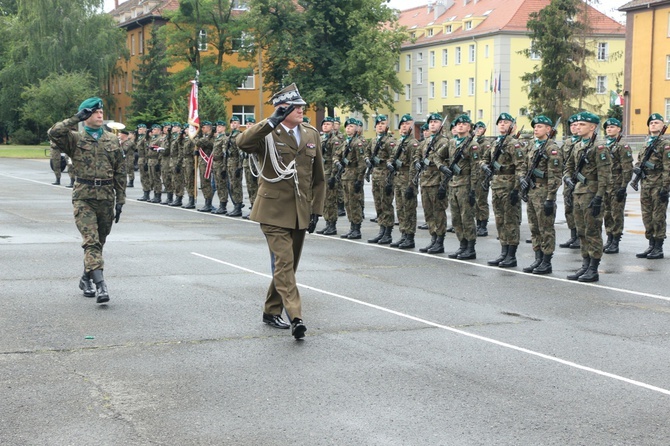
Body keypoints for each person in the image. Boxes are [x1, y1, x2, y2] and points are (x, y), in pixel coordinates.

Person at [236, 83, 325, 340]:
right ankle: (295, 316)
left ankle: (270, 310)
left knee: (288, 267)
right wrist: (270, 121)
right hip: (272, 211)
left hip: (299, 210)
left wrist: (316, 210)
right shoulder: (267, 133)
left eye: (301, 106)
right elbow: (241, 142)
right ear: (282, 108)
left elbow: (319, 177)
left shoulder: (310, 134)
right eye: (296, 106)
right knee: (284, 264)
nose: (301, 110)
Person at [47, 97, 126, 303]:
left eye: (101, 112)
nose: (100, 115)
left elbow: (120, 171)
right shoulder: (74, 139)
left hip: (107, 197)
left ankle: (86, 278)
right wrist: (75, 118)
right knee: (91, 242)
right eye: (95, 112)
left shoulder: (111, 139)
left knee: (99, 242)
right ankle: (101, 285)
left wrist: (121, 199)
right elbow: (53, 133)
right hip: (84, 197)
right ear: (85, 115)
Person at [563, 112, 611, 282]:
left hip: (591, 193)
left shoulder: (599, 147)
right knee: (581, 231)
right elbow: (568, 166)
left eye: (583, 124)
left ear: (593, 127)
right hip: (578, 192)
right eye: (578, 124)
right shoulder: (578, 145)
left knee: (592, 231)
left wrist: (599, 198)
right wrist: (568, 178)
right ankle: (585, 265)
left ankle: (593, 268)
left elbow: (605, 176)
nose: (578, 127)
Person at [481, 113, 525, 268]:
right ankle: (503, 251)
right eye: (500, 122)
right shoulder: (495, 143)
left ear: (512, 126)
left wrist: (516, 189)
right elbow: (484, 159)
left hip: (509, 186)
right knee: (500, 220)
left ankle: (511, 255)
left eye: (506, 122)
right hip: (497, 185)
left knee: (511, 221)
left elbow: (521, 167)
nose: (502, 125)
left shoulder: (514, 144)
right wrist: (485, 166)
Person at [520, 116, 562, 274]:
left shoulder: (552, 148)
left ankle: (546, 261)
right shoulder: (531, 145)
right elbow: (524, 164)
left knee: (546, 228)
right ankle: (537, 258)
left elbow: (555, 176)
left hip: (544, 192)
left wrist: (550, 198)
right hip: (532, 191)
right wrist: (523, 180)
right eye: (535, 126)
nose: (536, 129)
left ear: (548, 129)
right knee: (534, 228)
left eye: (539, 126)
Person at [437, 115, 480, 260]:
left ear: (469, 127)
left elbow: (475, 169)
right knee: (456, 218)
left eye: (464, 124)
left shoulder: (472, 145)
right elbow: (436, 156)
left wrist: (473, 190)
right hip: (453, 184)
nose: (460, 126)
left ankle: (470, 247)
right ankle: (462, 245)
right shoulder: (451, 142)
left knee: (467, 217)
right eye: (458, 124)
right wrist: (442, 167)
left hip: (465, 184)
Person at [634, 113, 669, 259]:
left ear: (662, 126)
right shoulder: (647, 143)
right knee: (647, 216)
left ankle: (658, 247)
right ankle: (651, 244)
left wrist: (665, 188)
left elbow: (668, 168)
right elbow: (640, 160)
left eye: (656, 122)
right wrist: (637, 167)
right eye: (651, 123)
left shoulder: (665, 145)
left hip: (658, 185)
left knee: (658, 216)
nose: (653, 125)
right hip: (646, 184)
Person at [415, 113, 450, 254]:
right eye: (431, 122)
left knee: (438, 213)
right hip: (425, 181)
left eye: (436, 122)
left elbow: (446, 163)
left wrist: (443, 185)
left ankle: (440, 241)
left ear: (440, 125)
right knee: (428, 213)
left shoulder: (444, 142)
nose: (432, 124)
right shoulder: (425, 142)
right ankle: (433, 238)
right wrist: (417, 162)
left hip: (437, 181)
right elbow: (417, 154)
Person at [388, 114, 420, 249]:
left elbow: (414, 165)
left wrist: (412, 185)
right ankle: (403, 234)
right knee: (400, 209)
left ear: (412, 127)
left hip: (407, 179)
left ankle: (410, 237)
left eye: (407, 125)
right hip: (398, 179)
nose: (404, 127)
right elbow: (391, 157)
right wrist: (390, 163)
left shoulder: (413, 143)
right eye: (402, 125)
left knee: (409, 210)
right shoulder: (399, 142)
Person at [602, 118, 633, 254]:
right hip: (605, 185)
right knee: (607, 213)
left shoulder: (622, 145)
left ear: (619, 129)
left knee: (616, 214)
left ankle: (615, 240)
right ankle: (609, 238)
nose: (609, 129)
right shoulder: (603, 145)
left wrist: (623, 186)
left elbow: (627, 168)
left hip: (617, 184)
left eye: (613, 127)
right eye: (608, 127)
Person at [365, 115, 396, 244]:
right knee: (378, 204)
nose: (380, 126)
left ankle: (388, 232)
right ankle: (381, 230)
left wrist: (385, 162)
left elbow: (393, 156)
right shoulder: (373, 141)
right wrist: (367, 159)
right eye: (378, 124)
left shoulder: (389, 140)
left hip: (385, 175)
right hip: (376, 175)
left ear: (387, 126)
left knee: (386, 204)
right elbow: (367, 152)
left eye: (382, 124)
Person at [334, 118, 366, 240]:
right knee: (347, 203)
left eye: (351, 126)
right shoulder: (345, 143)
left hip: (353, 176)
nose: (348, 128)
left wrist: (359, 179)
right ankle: (352, 226)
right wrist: (337, 162)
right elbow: (336, 155)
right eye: (347, 126)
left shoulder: (357, 143)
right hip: (345, 175)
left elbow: (362, 163)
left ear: (357, 128)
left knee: (354, 203)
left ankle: (357, 228)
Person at [317, 116, 344, 235]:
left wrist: (334, 176)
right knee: (324, 200)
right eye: (324, 124)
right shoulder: (321, 138)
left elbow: (335, 158)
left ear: (333, 126)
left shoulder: (335, 140)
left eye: (328, 124)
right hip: (322, 171)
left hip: (330, 173)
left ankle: (332, 225)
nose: (325, 126)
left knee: (331, 200)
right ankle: (327, 223)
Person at [559, 115, 581, 249]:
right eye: (572, 125)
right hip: (568, 179)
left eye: (577, 125)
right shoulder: (567, 143)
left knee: (579, 209)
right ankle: (573, 235)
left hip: (580, 181)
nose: (574, 127)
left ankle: (580, 236)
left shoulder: (587, 142)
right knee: (569, 208)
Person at [473, 121, 491, 237]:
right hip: (474, 176)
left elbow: (487, 160)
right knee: (475, 202)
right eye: (476, 129)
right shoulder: (473, 142)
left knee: (482, 202)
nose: (478, 130)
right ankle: (478, 223)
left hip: (482, 176)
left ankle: (483, 225)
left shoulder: (486, 144)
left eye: (480, 128)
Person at [226, 117, 245, 217]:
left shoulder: (239, 136)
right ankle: (235, 205)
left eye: (235, 123)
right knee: (232, 186)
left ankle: (238, 207)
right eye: (232, 123)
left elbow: (241, 153)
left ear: (239, 125)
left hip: (236, 163)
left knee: (236, 186)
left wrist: (239, 167)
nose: (233, 125)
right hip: (229, 163)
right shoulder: (230, 136)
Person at [210, 120, 229, 214]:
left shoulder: (224, 139)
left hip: (221, 164)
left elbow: (225, 154)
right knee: (218, 185)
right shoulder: (217, 138)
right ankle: (221, 205)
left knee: (222, 186)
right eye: (217, 126)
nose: (218, 128)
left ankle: (223, 206)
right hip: (216, 164)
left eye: (220, 126)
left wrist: (224, 168)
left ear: (224, 128)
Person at [242, 117, 259, 219]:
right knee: (250, 188)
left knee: (256, 189)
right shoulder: (244, 137)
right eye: (247, 124)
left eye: (251, 124)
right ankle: (253, 208)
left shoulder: (257, 137)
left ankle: (256, 210)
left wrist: (256, 169)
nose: (249, 126)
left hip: (255, 166)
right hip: (247, 165)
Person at [136, 124, 151, 201]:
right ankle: (145, 192)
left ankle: (147, 193)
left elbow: (146, 150)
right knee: (142, 177)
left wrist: (146, 161)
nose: (139, 130)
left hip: (144, 159)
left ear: (145, 130)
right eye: (139, 129)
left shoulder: (145, 139)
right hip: (140, 159)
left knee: (145, 177)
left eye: (141, 129)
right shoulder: (140, 138)